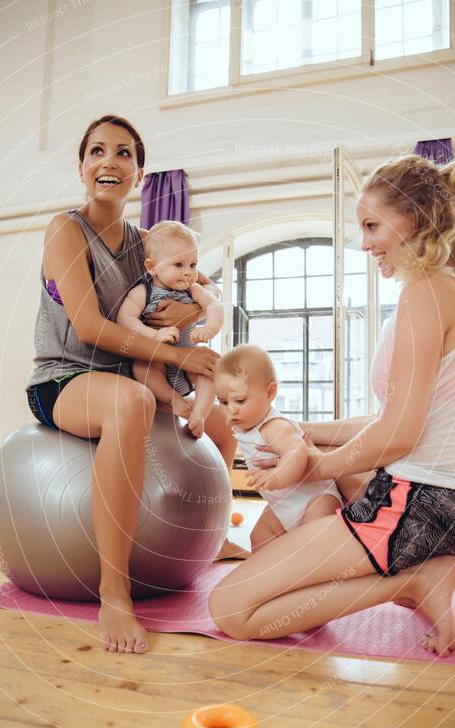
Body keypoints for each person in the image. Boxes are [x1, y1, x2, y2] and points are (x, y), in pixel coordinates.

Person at [209, 154, 455, 658]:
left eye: (372, 226)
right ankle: (406, 569)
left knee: (231, 608)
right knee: (338, 486)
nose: (363, 242)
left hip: (421, 503)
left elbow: (398, 436)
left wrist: (315, 465)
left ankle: (410, 582)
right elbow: (403, 418)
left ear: (415, 218)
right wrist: (308, 430)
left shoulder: (425, 295)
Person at [26, 115, 241, 655]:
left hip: (130, 373)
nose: (110, 162)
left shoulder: (149, 243)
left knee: (217, 415)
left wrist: (198, 324)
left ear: (140, 174)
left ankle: (210, 540)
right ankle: (114, 592)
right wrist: (175, 351)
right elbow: (91, 328)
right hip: (64, 376)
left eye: (124, 154)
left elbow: (199, 292)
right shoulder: (65, 229)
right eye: (97, 151)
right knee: (134, 400)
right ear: (82, 167)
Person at [214, 345, 341, 550]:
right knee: (259, 537)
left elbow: (296, 451)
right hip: (282, 506)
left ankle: (310, 575)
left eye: (240, 400)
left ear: (270, 392)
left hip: (315, 500)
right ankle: (273, 571)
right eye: (223, 402)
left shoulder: (274, 426)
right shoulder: (246, 428)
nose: (231, 409)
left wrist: (277, 476)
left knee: (312, 546)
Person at [117, 221, 223, 438]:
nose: (188, 272)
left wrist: (210, 328)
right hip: (157, 358)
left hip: (188, 356)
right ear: (151, 267)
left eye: (193, 265)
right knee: (141, 368)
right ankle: (175, 400)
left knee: (210, 370)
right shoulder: (142, 292)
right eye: (179, 265)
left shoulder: (193, 289)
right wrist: (153, 334)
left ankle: (200, 414)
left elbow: (214, 304)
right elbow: (125, 319)